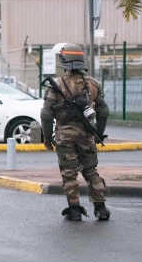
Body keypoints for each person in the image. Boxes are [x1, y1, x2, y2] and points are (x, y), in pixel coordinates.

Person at [40, 43, 111, 221]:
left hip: (64, 136)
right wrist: (98, 133)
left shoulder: (57, 84)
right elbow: (103, 111)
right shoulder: (94, 84)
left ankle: (74, 210)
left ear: (64, 61)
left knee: (69, 173)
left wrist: (47, 138)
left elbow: (46, 114)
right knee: (90, 170)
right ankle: (100, 208)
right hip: (87, 136)